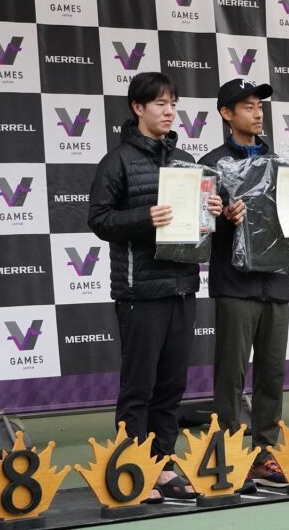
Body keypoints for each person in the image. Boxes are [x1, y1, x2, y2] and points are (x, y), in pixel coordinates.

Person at [88, 71, 222, 502]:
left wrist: (211, 210)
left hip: (181, 286)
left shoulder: (185, 160)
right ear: (138, 108)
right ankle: (133, 469)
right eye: (161, 104)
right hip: (139, 292)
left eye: (173, 104)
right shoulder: (117, 161)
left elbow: (198, 227)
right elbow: (99, 220)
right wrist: (145, 217)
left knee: (171, 387)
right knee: (139, 387)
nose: (169, 112)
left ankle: (162, 465)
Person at [200, 78, 289, 488]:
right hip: (235, 285)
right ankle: (229, 456)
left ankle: (265, 454)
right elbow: (197, 231)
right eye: (248, 106)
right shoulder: (211, 164)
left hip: (276, 284)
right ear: (226, 114)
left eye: (260, 106)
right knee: (231, 376)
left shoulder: (280, 163)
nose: (257, 113)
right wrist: (223, 219)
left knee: (272, 374)